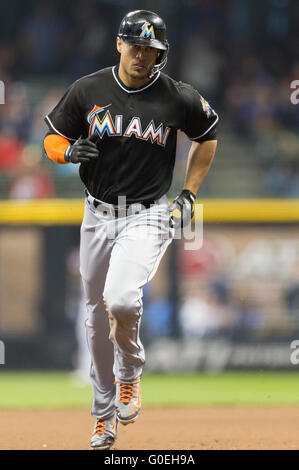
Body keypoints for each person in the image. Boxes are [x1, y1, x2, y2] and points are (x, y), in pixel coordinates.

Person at [43, 10, 218, 450]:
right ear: (119, 44)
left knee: (121, 298)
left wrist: (190, 193)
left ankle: (131, 374)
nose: (142, 55)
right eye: (135, 45)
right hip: (96, 213)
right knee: (95, 318)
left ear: (161, 53)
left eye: (151, 49)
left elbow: (209, 135)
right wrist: (66, 152)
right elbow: (51, 138)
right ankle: (102, 418)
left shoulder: (177, 97)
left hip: (147, 213)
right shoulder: (89, 89)